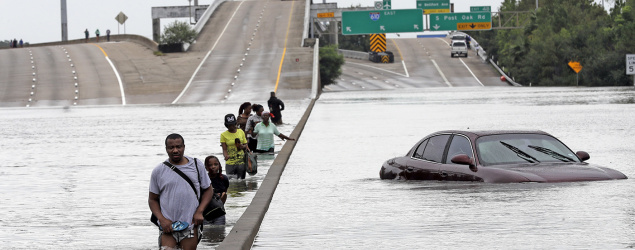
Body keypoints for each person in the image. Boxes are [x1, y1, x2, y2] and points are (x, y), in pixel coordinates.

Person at [149, 133, 213, 250]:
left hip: (190, 225)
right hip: (167, 227)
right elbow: (152, 199)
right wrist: (162, 219)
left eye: (178, 147)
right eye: (171, 147)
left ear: (184, 147)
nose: (175, 150)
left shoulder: (196, 165)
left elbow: (208, 190)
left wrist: (200, 211)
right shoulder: (158, 171)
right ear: (166, 149)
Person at [220, 114, 249, 179]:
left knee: (241, 181)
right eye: (229, 125)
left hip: (241, 162)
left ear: (235, 123)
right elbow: (224, 149)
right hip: (230, 163)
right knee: (231, 182)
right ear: (226, 125)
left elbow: (246, 145)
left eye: (233, 124)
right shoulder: (223, 135)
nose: (231, 126)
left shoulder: (241, 131)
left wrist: (243, 146)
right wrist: (226, 155)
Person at [203, 155, 229, 225]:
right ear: (206, 167)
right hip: (206, 212)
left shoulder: (224, 179)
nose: (213, 167)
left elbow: (224, 194)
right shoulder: (203, 180)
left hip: (219, 212)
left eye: (216, 164)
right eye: (210, 165)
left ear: (219, 165)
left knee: (219, 230)